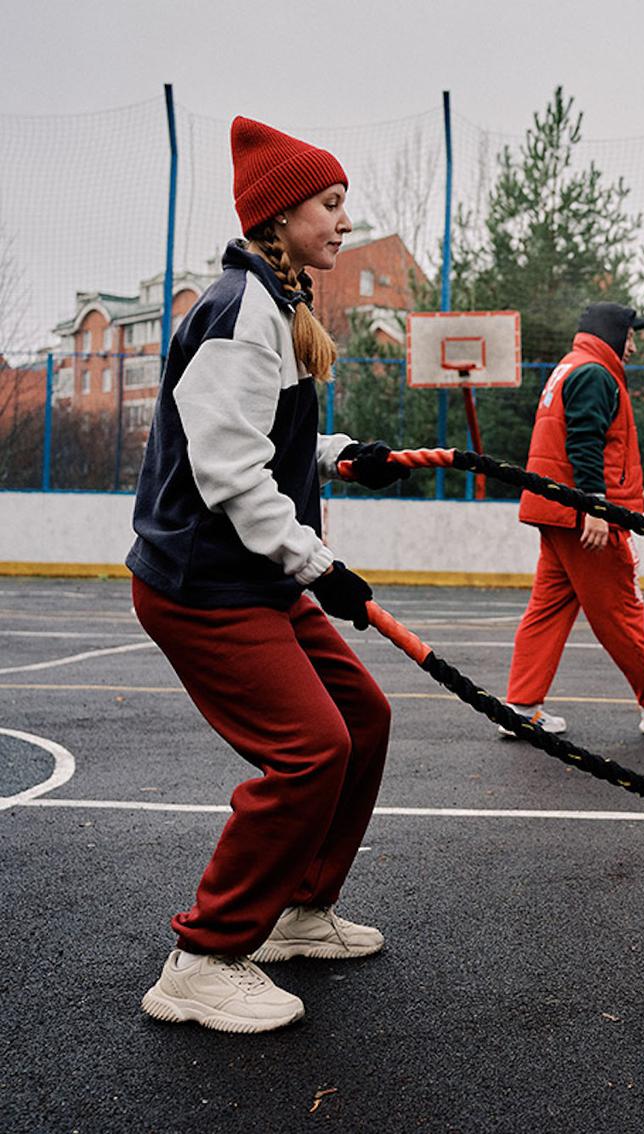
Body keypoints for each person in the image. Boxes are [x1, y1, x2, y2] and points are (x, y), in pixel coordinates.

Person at [127, 116, 409, 1034]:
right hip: (203, 585)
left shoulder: (275, 304)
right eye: (329, 204)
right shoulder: (240, 311)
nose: (343, 222)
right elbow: (230, 474)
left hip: (251, 577)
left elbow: (264, 439)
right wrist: (322, 567)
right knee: (310, 749)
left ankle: (299, 910)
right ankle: (202, 958)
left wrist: (340, 454)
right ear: (280, 215)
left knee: (362, 721)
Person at [501, 302, 644, 737]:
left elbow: (579, 445)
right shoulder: (595, 374)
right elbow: (584, 443)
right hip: (582, 516)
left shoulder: (571, 366)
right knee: (621, 614)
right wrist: (596, 507)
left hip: (558, 512)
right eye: (630, 336)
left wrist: (631, 494)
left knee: (547, 611)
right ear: (611, 333)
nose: (632, 346)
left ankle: (522, 707)